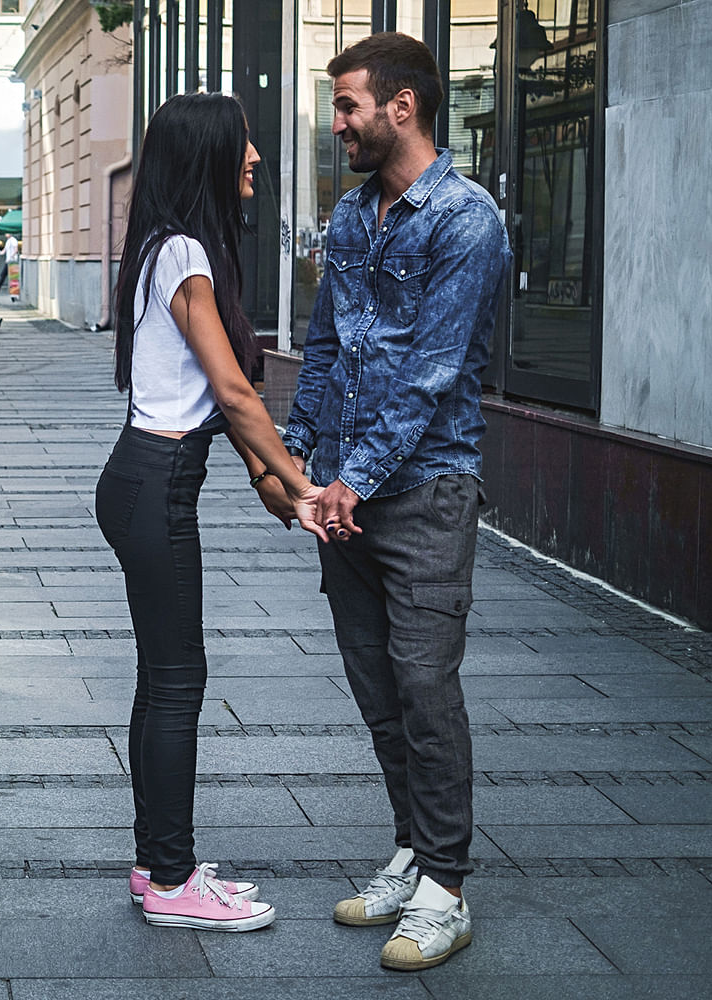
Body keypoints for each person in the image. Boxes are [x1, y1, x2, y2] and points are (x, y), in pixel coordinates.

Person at [281, 33, 512, 971]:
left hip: (424, 494)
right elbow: (326, 346)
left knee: (424, 687)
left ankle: (447, 889)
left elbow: (431, 374)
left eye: (347, 107)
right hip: (345, 495)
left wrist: (352, 479)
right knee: (379, 693)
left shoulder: (467, 220)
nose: (337, 123)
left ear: (401, 107)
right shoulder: (349, 215)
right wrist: (295, 455)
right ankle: (412, 851)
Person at [95, 92, 328, 933]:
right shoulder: (185, 250)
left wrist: (276, 490)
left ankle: (156, 861)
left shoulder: (164, 247)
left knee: (161, 678)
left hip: (145, 478)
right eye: (244, 144)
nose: (257, 157)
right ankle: (171, 878)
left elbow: (211, 402)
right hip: (155, 487)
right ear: (208, 158)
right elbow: (232, 393)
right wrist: (302, 487)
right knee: (179, 679)